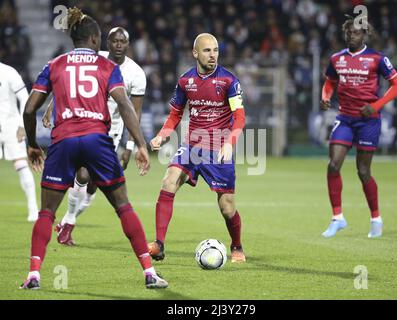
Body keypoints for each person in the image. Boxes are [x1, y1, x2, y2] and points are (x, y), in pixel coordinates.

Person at [20, 7, 167, 289]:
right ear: (96, 41)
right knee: (123, 206)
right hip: (97, 140)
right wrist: (139, 144)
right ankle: (149, 273)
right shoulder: (108, 67)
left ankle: (33, 276)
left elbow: (29, 109)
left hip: (62, 141)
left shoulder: (54, 65)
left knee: (46, 213)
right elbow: (125, 105)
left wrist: (32, 144)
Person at [42, 27, 146, 246]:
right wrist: (52, 104)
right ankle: (68, 223)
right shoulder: (95, 60)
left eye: (122, 41)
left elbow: (134, 111)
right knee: (83, 174)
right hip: (85, 124)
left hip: (112, 131)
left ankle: (68, 222)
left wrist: (130, 145)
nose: (118, 45)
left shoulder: (136, 74)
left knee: (92, 185)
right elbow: (67, 82)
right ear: (105, 42)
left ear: (128, 44)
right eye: (114, 41)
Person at [148, 33, 246, 263]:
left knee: (227, 208)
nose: (213, 56)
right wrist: (161, 136)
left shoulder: (229, 81)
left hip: (218, 149)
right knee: (168, 180)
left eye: (216, 50)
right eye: (207, 51)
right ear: (195, 53)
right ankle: (159, 244)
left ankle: (237, 246)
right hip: (191, 146)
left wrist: (230, 143)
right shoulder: (185, 81)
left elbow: (239, 117)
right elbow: (175, 114)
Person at [320, 16, 397, 238]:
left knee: (363, 171)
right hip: (345, 118)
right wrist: (325, 96)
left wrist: (375, 106)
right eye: (348, 33)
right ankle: (337, 218)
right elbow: (329, 82)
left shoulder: (377, 59)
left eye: (355, 33)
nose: (351, 36)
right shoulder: (337, 59)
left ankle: (376, 218)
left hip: (368, 121)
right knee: (333, 165)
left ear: (364, 35)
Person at [0, 62, 39, 222]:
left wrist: (22, 125)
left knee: (21, 165)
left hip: (10, 125)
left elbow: (25, 98)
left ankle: (33, 209)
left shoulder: (8, 71)